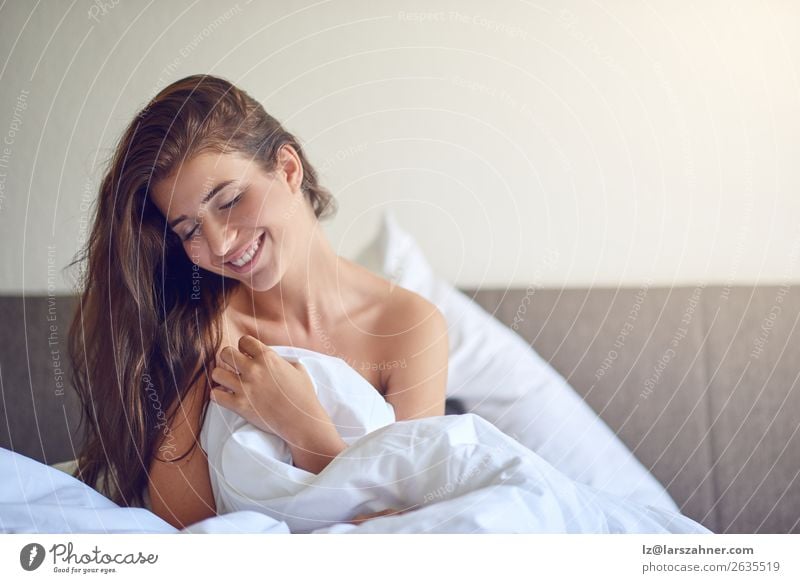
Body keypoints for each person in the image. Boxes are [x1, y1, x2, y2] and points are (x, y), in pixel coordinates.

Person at [67, 74, 448, 530]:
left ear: (287, 169)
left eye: (228, 200)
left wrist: (304, 428)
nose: (220, 243)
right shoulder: (202, 328)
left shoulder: (409, 327)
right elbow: (190, 529)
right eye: (189, 229)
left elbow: (414, 521)